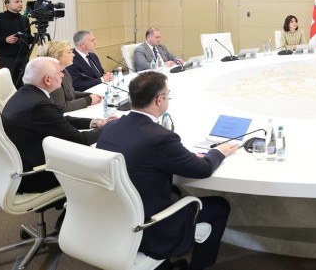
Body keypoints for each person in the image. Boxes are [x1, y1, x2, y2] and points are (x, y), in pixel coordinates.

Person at [96, 72, 238, 270]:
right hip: (147, 226)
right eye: (168, 95)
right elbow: (203, 169)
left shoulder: (111, 127)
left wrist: (180, 156)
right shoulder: (160, 137)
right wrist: (218, 151)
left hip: (112, 218)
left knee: (174, 191)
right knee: (219, 207)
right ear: (159, 100)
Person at [1, 57, 109, 193]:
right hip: (36, 176)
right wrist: (109, 128)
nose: (63, 75)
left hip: (20, 163)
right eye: (60, 72)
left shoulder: (27, 93)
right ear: (47, 80)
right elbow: (80, 140)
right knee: (102, 164)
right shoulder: (39, 105)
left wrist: (94, 123)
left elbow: (58, 119)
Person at [39, 40, 104, 113]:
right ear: (58, 56)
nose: (73, 55)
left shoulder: (64, 71)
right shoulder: (51, 77)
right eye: (69, 52)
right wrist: (89, 100)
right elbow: (61, 107)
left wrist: (89, 95)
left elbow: (70, 93)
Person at [0, 0, 33, 87]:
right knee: (8, 84)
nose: (20, 3)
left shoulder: (24, 19)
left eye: (21, 1)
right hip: (8, 58)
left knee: (24, 84)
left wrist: (35, 39)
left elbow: (27, 38)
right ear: (7, 5)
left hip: (24, 57)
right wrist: (5, 39)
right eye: (17, 2)